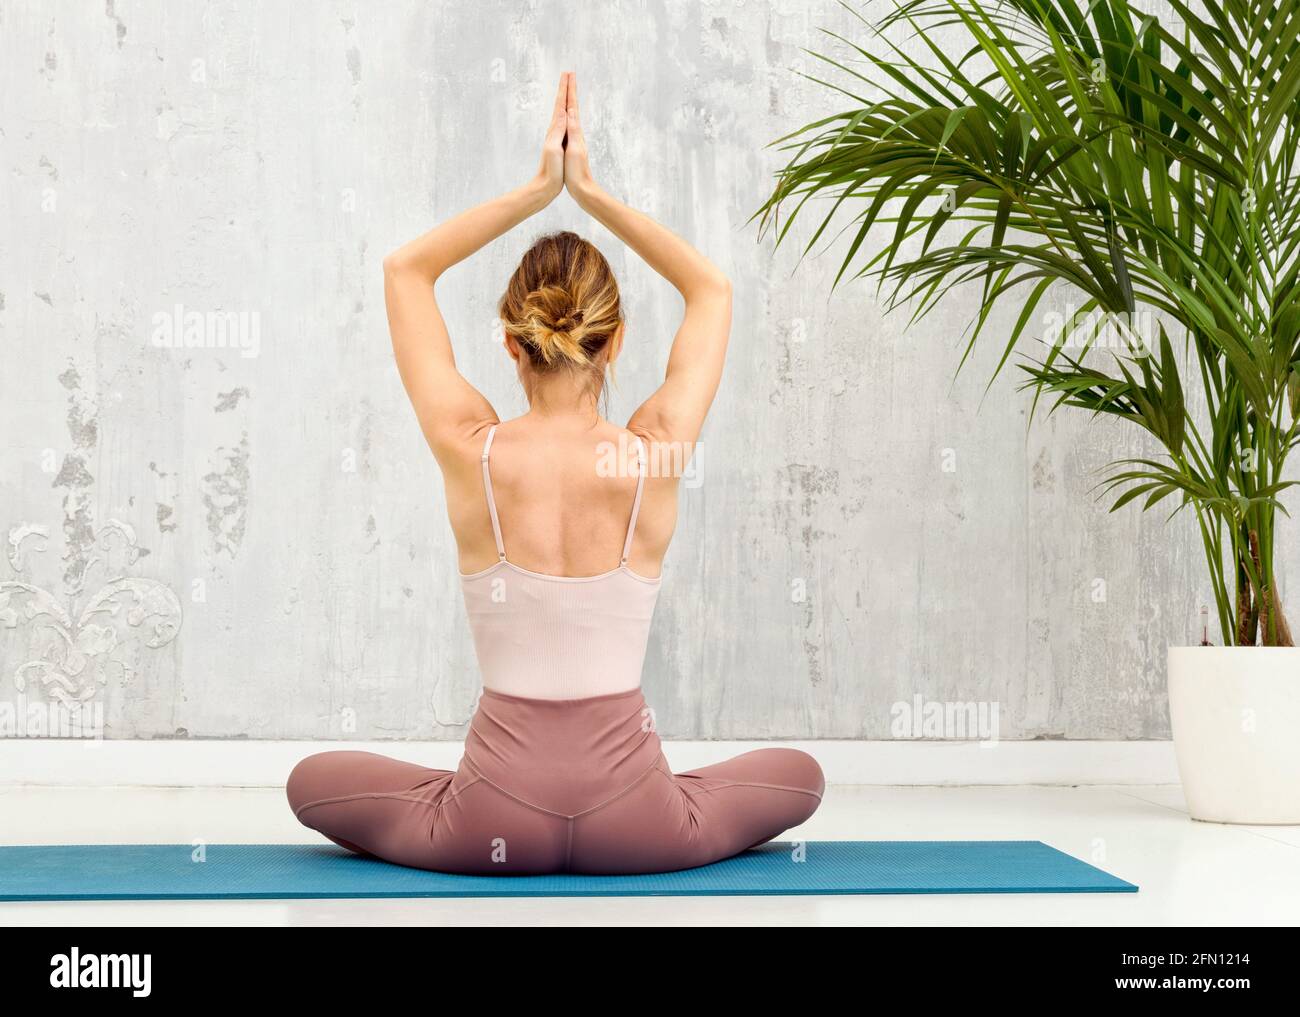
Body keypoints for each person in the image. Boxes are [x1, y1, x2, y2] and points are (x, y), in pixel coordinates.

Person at [286, 73, 823, 874]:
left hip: (490, 826)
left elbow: (404, 270)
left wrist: (540, 192)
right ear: (616, 339)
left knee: (310, 782)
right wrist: (593, 196)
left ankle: (484, 790)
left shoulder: (471, 447)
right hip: (640, 828)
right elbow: (711, 288)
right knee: (802, 777)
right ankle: (600, 799)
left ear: (511, 341)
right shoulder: (656, 450)